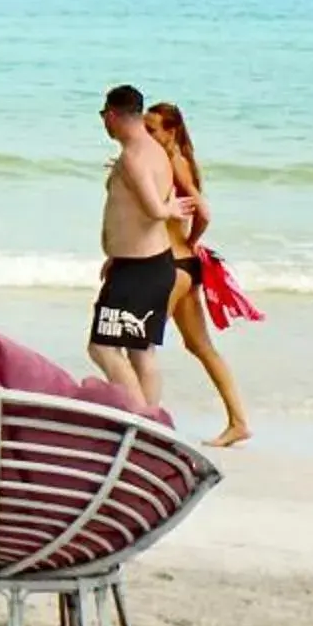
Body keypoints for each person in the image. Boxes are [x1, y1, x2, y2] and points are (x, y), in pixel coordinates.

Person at [147, 101, 251, 448]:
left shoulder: (176, 162)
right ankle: (239, 422)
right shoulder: (167, 160)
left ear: (171, 131)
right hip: (184, 267)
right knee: (199, 345)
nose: (147, 136)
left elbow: (202, 210)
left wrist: (192, 239)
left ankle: (142, 421)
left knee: (139, 342)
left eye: (153, 130)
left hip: (175, 266)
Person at [89, 84, 190, 410]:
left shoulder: (133, 157)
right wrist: (116, 258)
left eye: (104, 115)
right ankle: (148, 424)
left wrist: (169, 210)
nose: (104, 122)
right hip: (147, 265)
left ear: (114, 115)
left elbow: (152, 208)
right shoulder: (152, 150)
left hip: (139, 269)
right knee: (140, 349)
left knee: (102, 348)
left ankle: (136, 419)